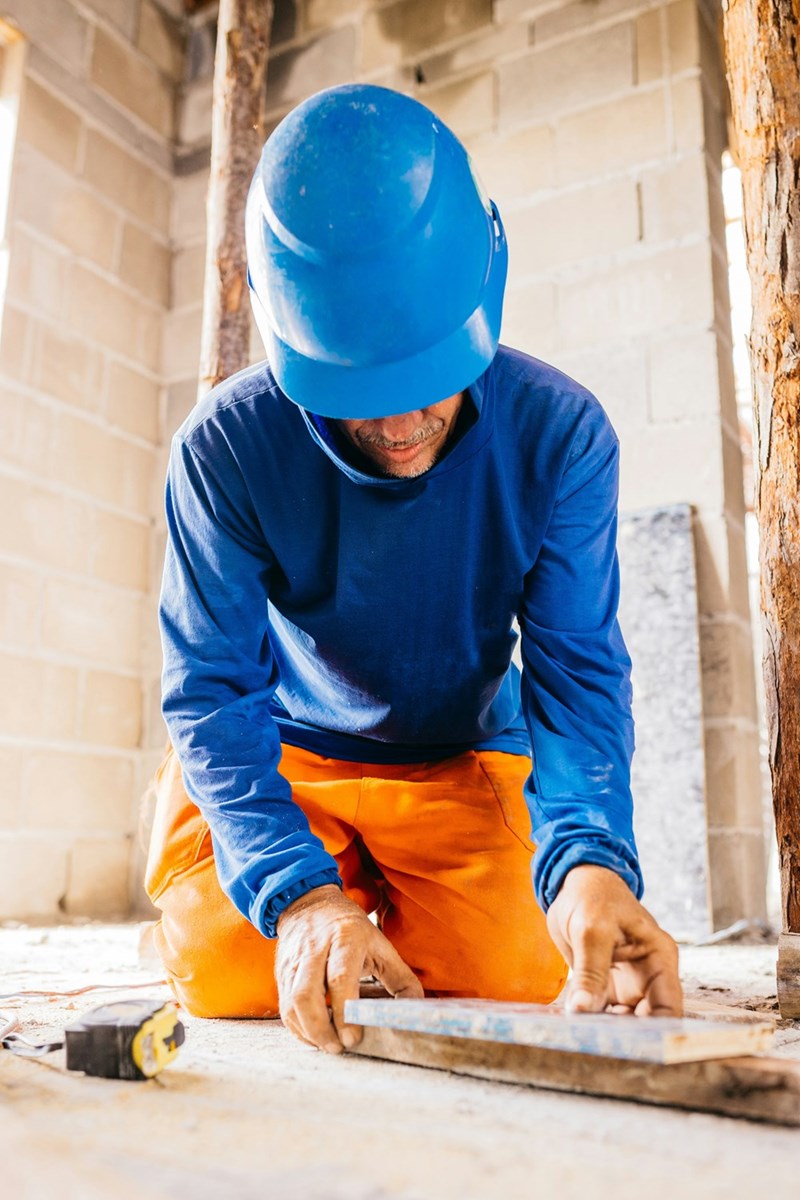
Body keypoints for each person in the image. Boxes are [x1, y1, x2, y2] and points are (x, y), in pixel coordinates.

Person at [146, 83, 681, 1054]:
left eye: (423, 382)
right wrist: (298, 895)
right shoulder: (223, 448)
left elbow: (576, 672)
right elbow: (211, 692)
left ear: (481, 297)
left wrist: (592, 859)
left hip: (455, 754)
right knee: (227, 973)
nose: (398, 425)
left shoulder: (560, 436)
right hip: (282, 749)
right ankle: (318, 883)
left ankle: (381, 894)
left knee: (530, 969)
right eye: (359, 392)